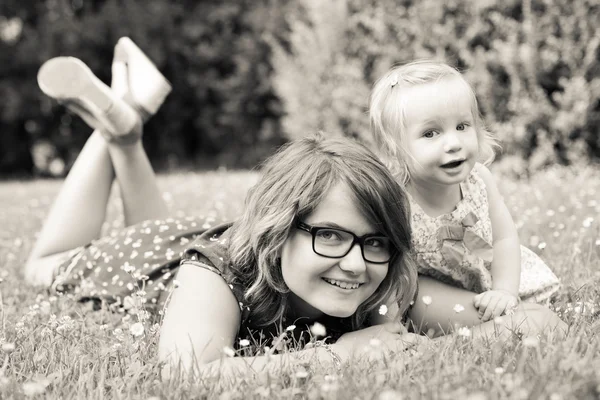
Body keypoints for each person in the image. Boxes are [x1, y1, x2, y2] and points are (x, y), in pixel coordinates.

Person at [26, 47, 566, 379]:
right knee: (46, 265)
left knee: (151, 223)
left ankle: (126, 127)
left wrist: (509, 315)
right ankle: (116, 130)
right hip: (148, 264)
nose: (356, 264)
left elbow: (523, 323)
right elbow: (188, 372)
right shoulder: (212, 276)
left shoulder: (382, 284)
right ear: (279, 233)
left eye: (375, 242)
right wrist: (339, 357)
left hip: (190, 235)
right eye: (330, 235)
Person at [369, 60, 561, 325]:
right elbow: (388, 272)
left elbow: (504, 240)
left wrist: (504, 291)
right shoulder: (397, 201)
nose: (454, 143)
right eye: (430, 133)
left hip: (490, 276)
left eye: (462, 126)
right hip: (433, 296)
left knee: (523, 307)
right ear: (394, 150)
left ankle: (502, 307)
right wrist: (386, 326)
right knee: (418, 296)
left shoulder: (479, 180)